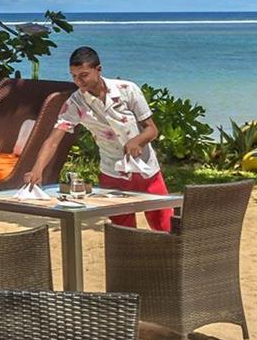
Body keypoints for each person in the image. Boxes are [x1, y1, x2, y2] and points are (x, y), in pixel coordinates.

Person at [55, 46, 171, 232]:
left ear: (98, 69)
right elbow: (54, 139)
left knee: (165, 227)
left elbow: (152, 129)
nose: (78, 81)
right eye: (74, 76)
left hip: (146, 171)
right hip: (112, 173)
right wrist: (37, 170)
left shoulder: (127, 90)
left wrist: (136, 141)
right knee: (122, 234)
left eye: (83, 75)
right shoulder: (75, 103)